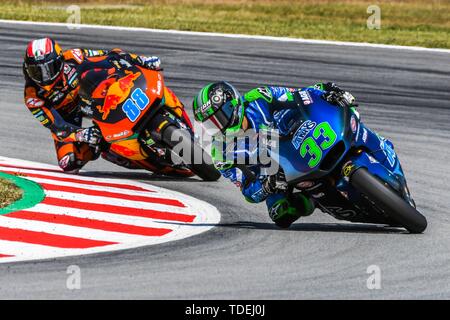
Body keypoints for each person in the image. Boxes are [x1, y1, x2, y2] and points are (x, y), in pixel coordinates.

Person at [192, 81, 356, 228]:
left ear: (234, 106)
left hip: (300, 139)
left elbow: (299, 95)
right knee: (280, 214)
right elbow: (248, 192)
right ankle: (314, 200)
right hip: (279, 173)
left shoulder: (260, 97)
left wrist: (326, 91)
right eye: (210, 124)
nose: (217, 127)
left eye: (219, 118)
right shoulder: (220, 154)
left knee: (343, 116)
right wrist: (266, 186)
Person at [23, 37, 161, 173]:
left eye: (48, 69)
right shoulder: (32, 96)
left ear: (60, 61)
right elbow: (57, 127)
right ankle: (112, 148)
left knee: (112, 71)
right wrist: (82, 134)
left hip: (91, 95)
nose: (44, 77)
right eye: (37, 71)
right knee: (68, 163)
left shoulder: (74, 57)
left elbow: (110, 55)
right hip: (67, 117)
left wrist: (140, 60)